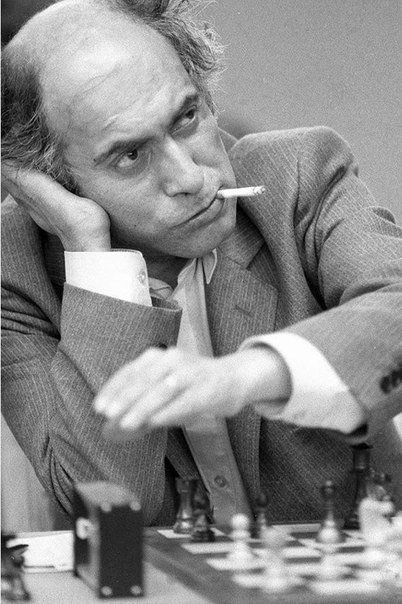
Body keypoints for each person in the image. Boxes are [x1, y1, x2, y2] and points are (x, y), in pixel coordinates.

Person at [2, 0, 401, 527]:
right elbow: (106, 504)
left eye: (187, 118)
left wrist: (240, 377)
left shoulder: (301, 175)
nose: (190, 178)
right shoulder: (14, 272)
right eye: (130, 155)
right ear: (55, 184)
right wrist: (92, 255)